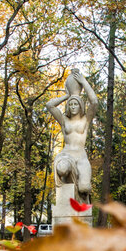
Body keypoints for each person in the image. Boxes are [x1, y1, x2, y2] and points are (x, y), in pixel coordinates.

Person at [46, 69, 98, 205]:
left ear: (81, 105)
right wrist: (67, 96)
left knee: (84, 187)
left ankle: (82, 204)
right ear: (68, 106)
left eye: (76, 103)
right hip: (66, 155)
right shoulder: (64, 120)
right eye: (71, 104)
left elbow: (94, 102)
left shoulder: (86, 120)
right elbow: (49, 105)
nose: (73, 106)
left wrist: (83, 82)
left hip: (81, 156)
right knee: (62, 169)